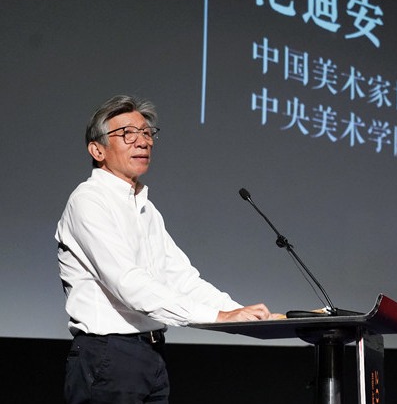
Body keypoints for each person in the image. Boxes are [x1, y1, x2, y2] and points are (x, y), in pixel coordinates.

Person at [55, 94, 278, 403]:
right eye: (127, 134)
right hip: (108, 355)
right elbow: (129, 284)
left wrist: (241, 315)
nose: (143, 141)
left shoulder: (146, 209)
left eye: (147, 133)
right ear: (97, 150)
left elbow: (181, 278)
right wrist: (219, 316)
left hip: (150, 354)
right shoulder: (89, 201)